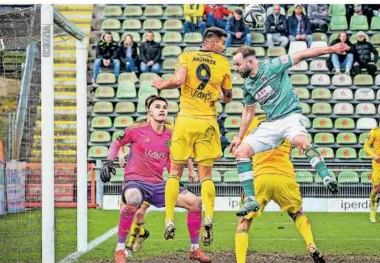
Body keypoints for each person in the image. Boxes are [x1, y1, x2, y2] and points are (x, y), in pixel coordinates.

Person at [229, 44, 348, 216]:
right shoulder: (248, 85)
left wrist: (331, 49)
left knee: (301, 141)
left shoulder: (273, 66)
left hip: (290, 117)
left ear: (250, 61)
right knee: (241, 152)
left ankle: (326, 177)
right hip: (271, 124)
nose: (235, 68)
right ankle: (250, 199)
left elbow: (302, 54)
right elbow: (248, 111)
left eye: (238, 64)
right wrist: (239, 137)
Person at [100, 96, 211, 263]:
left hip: (159, 184)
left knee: (195, 202)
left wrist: (175, 178)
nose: (162, 109)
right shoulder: (136, 129)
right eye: (157, 106)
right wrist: (109, 161)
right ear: (149, 111)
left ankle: (194, 250)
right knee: (133, 200)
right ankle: (120, 250)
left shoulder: (171, 134)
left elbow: (169, 159)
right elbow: (117, 142)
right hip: (135, 182)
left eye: (165, 107)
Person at [152, 27, 233, 245]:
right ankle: (209, 216)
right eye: (222, 43)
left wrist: (161, 84)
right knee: (206, 175)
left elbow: (178, 81)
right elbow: (228, 98)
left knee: (175, 173)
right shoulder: (224, 63)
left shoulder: (186, 56)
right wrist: (217, 92)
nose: (224, 47)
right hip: (207, 122)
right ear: (213, 43)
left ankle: (169, 219)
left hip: (186, 120)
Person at [234, 115, 325, 263]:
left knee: (244, 222)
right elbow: (297, 145)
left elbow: (243, 148)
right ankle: (311, 244)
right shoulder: (288, 121)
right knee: (297, 213)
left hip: (260, 177)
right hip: (284, 176)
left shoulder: (253, 122)